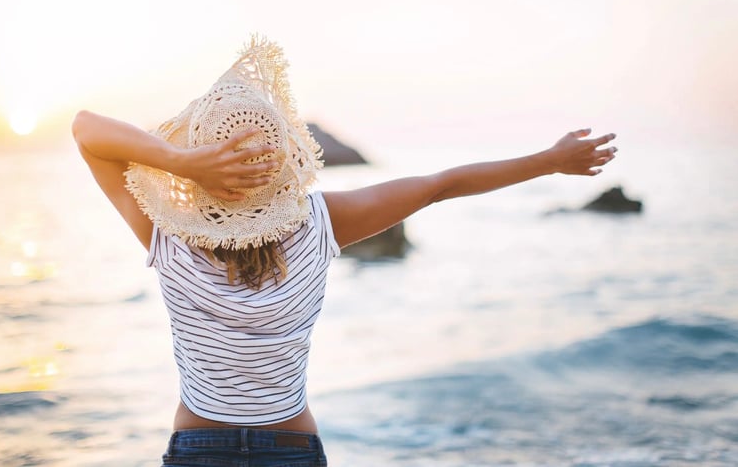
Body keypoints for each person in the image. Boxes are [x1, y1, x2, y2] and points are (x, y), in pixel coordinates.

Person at [72, 36, 617, 467]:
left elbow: (87, 130)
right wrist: (548, 161)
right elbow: (439, 184)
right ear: (286, 163)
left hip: (197, 449)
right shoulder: (322, 223)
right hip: (291, 448)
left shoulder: (167, 237)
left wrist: (181, 162)